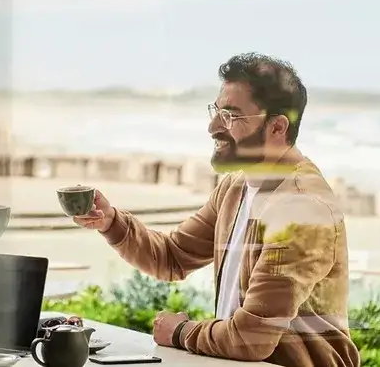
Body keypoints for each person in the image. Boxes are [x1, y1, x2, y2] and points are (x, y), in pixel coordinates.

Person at [73, 53, 360, 367]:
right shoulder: (235, 187)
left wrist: (181, 331)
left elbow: (252, 338)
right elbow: (172, 256)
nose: (213, 127)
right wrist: (112, 222)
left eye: (231, 116)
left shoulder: (302, 208)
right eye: (217, 111)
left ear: (277, 127)